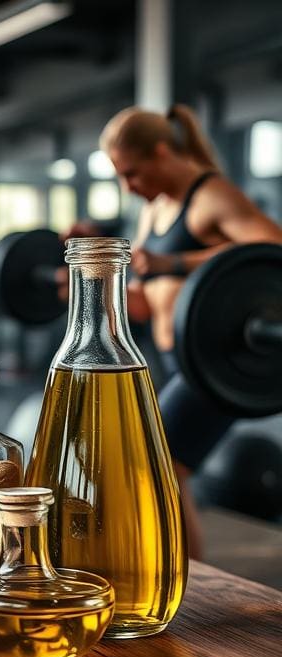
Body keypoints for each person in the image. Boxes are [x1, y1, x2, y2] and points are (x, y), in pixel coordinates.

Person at [99, 103, 282, 559]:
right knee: (164, 471)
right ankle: (184, 578)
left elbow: (271, 246)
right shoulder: (156, 208)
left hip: (216, 360)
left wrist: (173, 262)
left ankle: (188, 582)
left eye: (133, 173)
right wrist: (91, 285)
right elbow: (145, 301)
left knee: (158, 468)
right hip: (169, 357)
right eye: (121, 177)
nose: (129, 187)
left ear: (162, 152)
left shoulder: (210, 196)